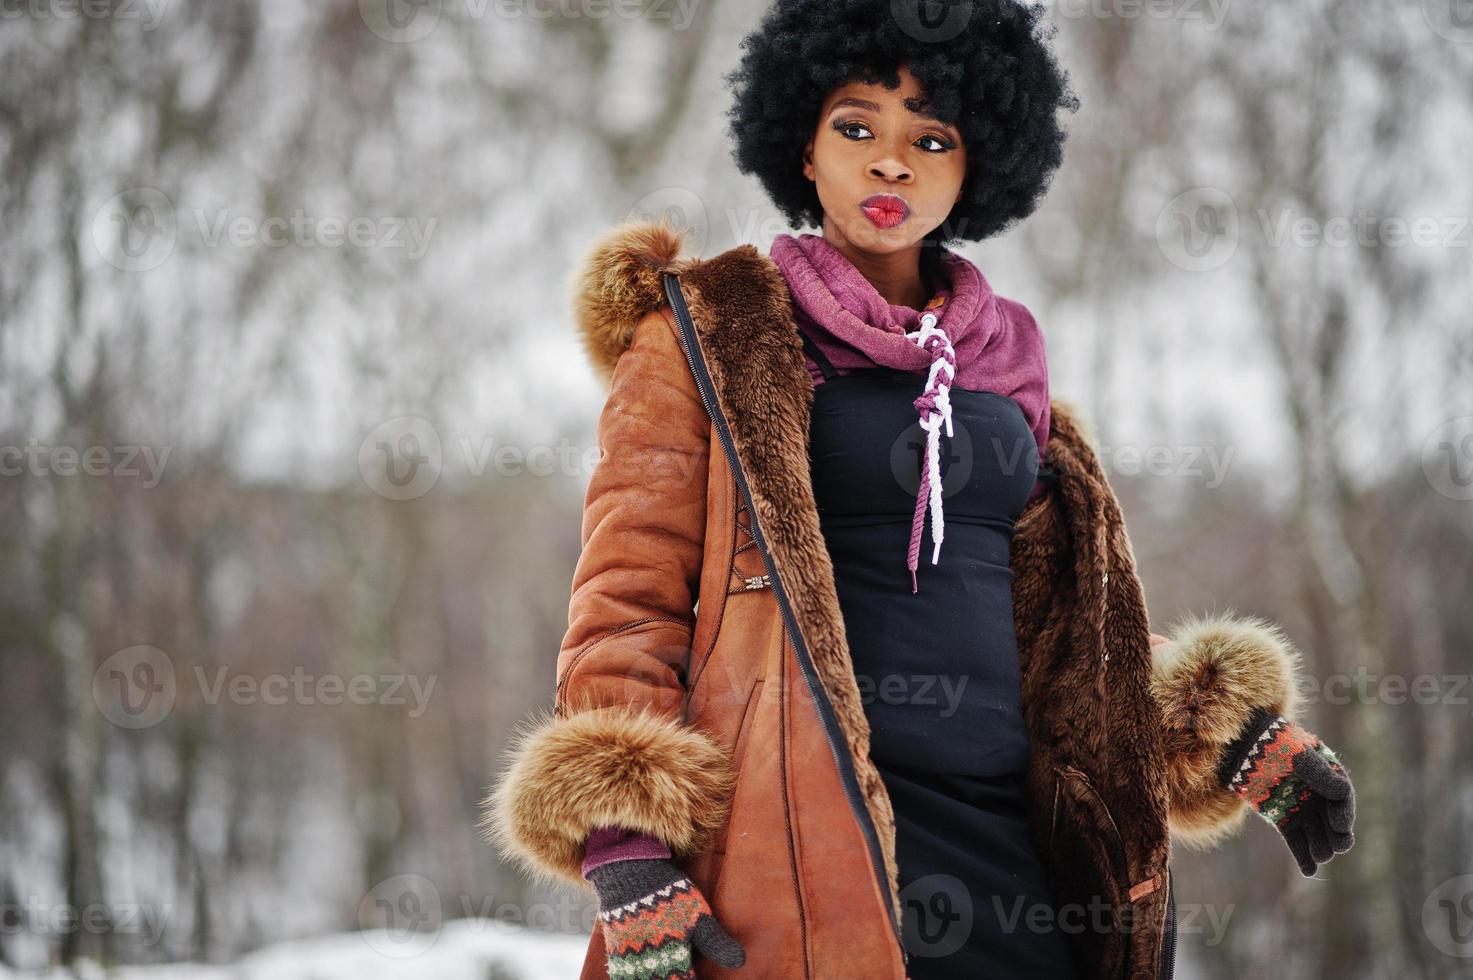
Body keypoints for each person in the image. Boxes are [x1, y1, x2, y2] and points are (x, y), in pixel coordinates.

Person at [482, 3, 1356, 978]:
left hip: (1014, 853)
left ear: (974, 163)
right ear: (803, 150)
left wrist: (1231, 732)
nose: (890, 161)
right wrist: (625, 844)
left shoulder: (1008, 360)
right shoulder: (706, 335)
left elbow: (1064, 632)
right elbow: (625, 607)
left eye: (930, 136)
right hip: (804, 857)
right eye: (856, 126)